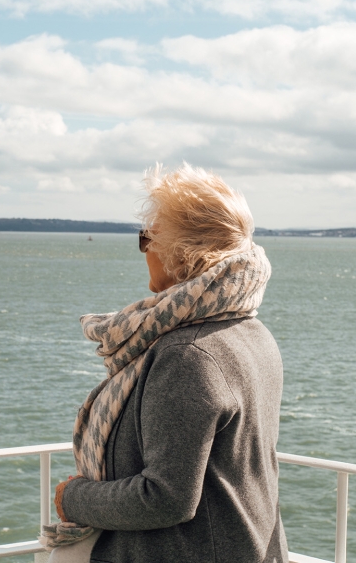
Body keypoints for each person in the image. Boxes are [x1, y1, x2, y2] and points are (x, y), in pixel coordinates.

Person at [41, 164, 288, 563]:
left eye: (146, 237)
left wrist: (73, 498)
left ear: (180, 251)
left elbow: (165, 498)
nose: (144, 250)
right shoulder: (254, 333)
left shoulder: (186, 355)